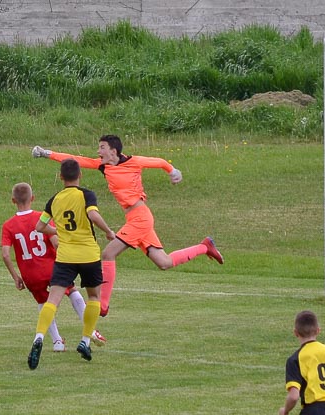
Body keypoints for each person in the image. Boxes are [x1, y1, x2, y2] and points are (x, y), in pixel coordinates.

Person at [32, 135, 223, 316]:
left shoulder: (134, 161)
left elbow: (160, 162)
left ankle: (103, 305)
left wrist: (172, 171)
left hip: (141, 217)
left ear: (113, 151)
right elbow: (76, 159)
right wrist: (46, 153)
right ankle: (204, 246)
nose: (98, 151)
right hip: (135, 219)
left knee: (108, 254)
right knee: (164, 263)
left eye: (102, 147)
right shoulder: (104, 166)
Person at [27, 159, 115, 370]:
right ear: (80, 176)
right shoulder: (86, 194)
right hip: (88, 254)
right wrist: (108, 231)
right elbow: (93, 215)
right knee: (93, 296)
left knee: (53, 299)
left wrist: (58, 232)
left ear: (60, 177)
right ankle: (85, 340)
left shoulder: (54, 199)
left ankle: (39, 337)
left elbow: (40, 226)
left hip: (65, 256)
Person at [1, 182, 107, 352]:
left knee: (44, 303)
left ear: (13, 200)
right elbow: (55, 241)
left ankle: (57, 342)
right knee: (72, 291)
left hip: (30, 273)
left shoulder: (8, 225)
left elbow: (5, 254)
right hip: (50, 267)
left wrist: (16, 276)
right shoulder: (40, 217)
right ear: (33, 198)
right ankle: (91, 331)